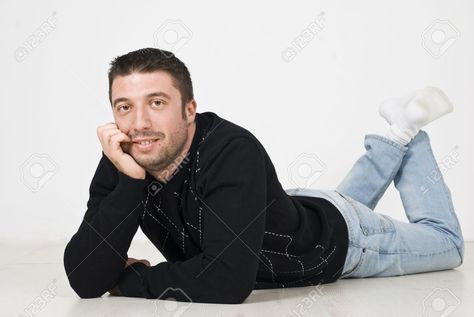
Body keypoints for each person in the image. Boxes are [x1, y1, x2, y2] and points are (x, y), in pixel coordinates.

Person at [63, 48, 464, 304]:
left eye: (156, 102)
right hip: (287, 211)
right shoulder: (125, 157)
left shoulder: (232, 151)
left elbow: (227, 281)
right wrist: (131, 184)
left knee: (448, 245)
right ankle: (393, 136)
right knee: (340, 207)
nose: (140, 123)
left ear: (189, 109)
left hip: (342, 245)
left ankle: (409, 131)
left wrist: (135, 280)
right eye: (124, 107)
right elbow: (84, 278)